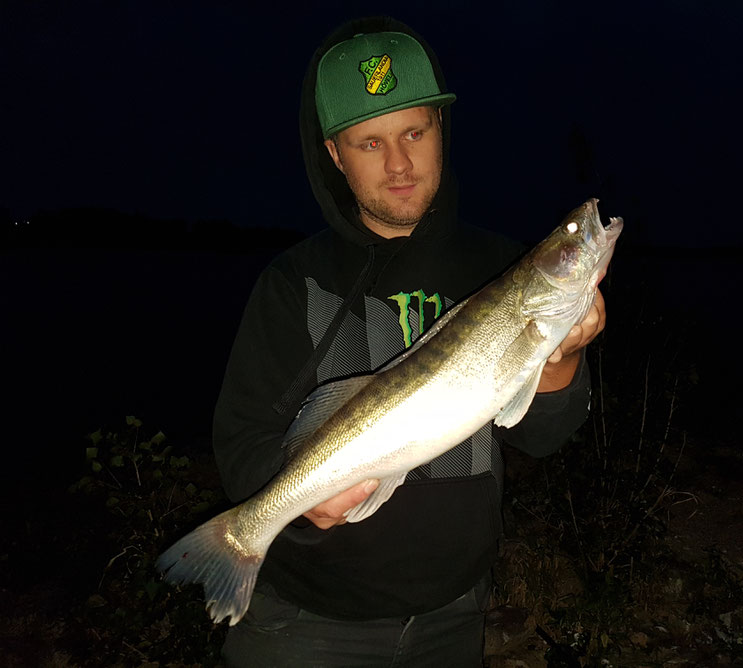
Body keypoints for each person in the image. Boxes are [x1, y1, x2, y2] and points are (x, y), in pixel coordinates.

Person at [213, 15, 605, 667]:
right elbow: (241, 442)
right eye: (369, 144)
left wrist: (562, 354)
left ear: (441, 130)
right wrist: (301, 507)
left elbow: (540, 436)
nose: (399, 164)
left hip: (455, 614)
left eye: (414, 132)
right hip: (309, 623)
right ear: (335, 155)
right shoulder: (292, 282)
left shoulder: (498, 269)